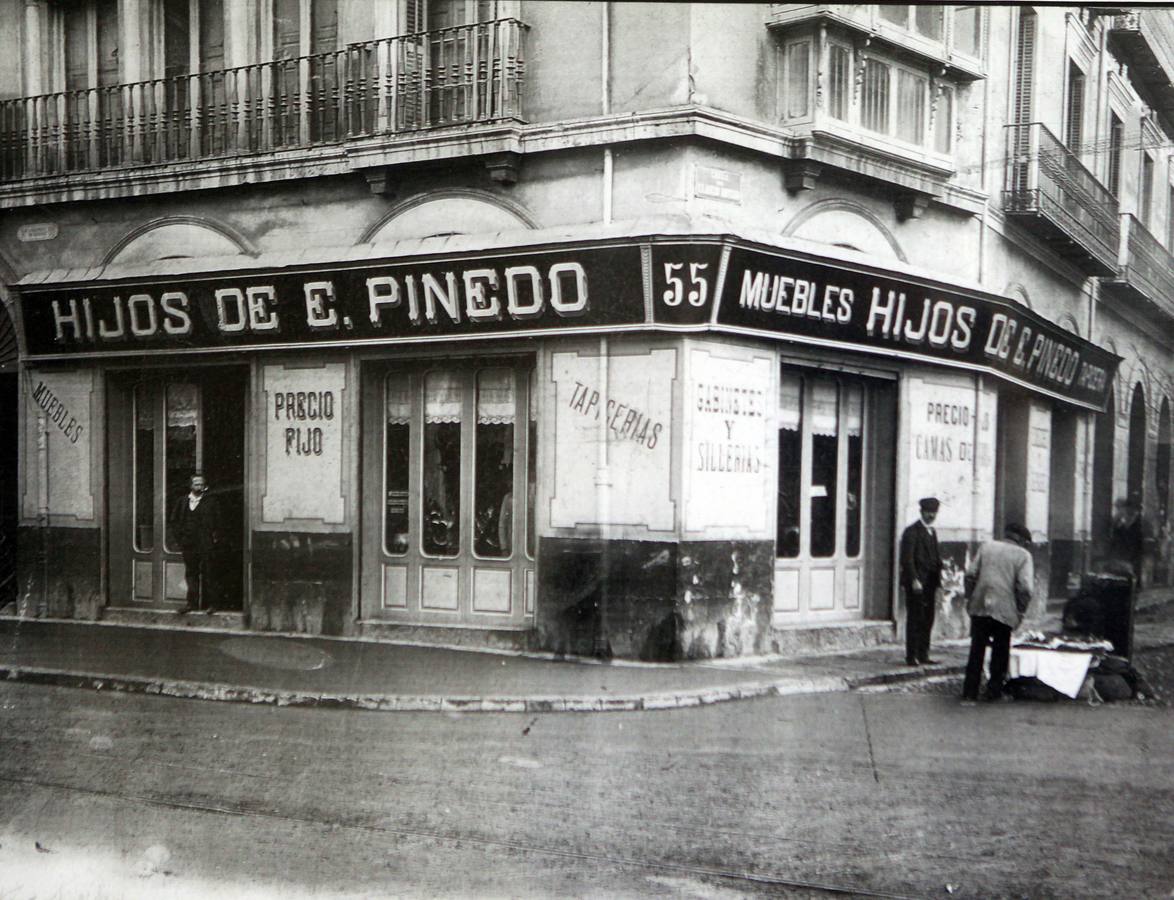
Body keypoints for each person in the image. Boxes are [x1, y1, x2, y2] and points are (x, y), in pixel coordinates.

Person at [962, 523, 1034, 704]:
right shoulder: (1023, 555)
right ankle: (994, 691)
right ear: (1021, 540)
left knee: (976, 649)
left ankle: (969, 692)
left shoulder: (986, 546)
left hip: (980, 604)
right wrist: (1021, 611)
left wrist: (970, 598)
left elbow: (970, 574)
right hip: (1005, 608)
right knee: (1000, 650)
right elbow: (1025, 588)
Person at [900, 497, 943, 666]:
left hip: (930, 582)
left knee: (928, 619)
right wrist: (914, 579)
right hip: (917, 583)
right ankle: (912, 656)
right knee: (915, 619)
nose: (931, 515)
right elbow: (907, 559)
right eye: (928, 512)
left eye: (934, 512)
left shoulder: (932, 532)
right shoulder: (912, 532)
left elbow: (935, 556)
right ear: (921, 512)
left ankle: (923, 654)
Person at [171, 473, 221, 614]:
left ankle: (213, 604)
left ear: (204, 486)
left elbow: (218, 522)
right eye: (196, 484)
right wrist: (180, 539)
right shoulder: (182, 502)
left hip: (206, 544)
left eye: (201, 484)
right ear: (191, 486)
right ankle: (191, 604)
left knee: (209, 573)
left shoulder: (211, 502)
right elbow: (174, 522)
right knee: (191, 573)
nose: (199, 487)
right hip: (188, 545)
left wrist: (214, 538)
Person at [1108, 495, 1145, 588]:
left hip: (1132, 554)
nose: (1118, 510)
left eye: (1119, 508)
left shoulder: (1136, 521)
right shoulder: (1117, 521)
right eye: (1116, 508)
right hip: (1120, 553)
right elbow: (1114, 536)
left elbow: (1137, 539)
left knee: (1130, 576)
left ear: (1125, 508)